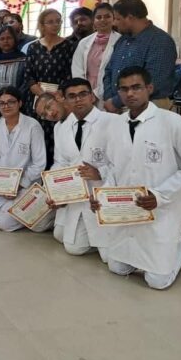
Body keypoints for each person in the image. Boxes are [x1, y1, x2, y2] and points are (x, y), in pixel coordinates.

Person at [91, 66, 181, 289]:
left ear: (149, 88)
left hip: (161, 212)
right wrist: (103, 196)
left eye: (136, 87)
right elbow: (113, 166)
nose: (130, 94)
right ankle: (147, 257)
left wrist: (159, 196)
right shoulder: (116, 125)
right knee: (117, 267)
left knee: (158, 282)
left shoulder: (173, 123)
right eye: (124, 89)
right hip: (127, 211)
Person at [49, 78, 117, 260]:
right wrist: (56, 191)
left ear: (92, 97)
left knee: (109, 258)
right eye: (72, 96)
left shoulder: (113, 122)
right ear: (65, 100)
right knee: (70, 245)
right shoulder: (61, 127)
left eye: (83, 94)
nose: (78, 100)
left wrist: (101, 172)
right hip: (76, 195)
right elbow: (59, 162)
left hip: (103, 193)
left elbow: (126, 163)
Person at [0, 87, 50, 232]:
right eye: (2, 103)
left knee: (5, 224)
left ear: (20, 103)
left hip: (25, 183)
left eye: (11, 102)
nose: (6, 106)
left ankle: (26, 212)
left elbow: (39, 164)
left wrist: (19, 184)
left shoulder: (32, 126)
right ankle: (8, 211)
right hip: (1, 182)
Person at [102, 0, 178, 112]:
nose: (114, 23)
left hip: (148, 106)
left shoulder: (160, 41)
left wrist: (116, 102)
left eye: (117, 19)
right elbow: (109, 70)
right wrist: (109, 99)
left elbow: (154, 82)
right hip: (118, 107)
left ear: (130, 18)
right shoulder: (123, 40)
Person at [24, 8, 76, 168]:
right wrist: (42, 95)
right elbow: (28, 76)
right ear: (42, 25)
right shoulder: (33, 47)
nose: (55, 25)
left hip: (59, 99)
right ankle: (38, 173)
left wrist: (57, 95)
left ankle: (58, 174)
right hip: (37, 99)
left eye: (58, 21)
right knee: (37, 138)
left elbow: (70, 74)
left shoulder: (69, 46)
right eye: (50, 22)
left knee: (58, 136)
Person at [71, 3, 120, 104]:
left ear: (114, 19)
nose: (103, 20)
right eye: (99, 17)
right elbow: (77, 68)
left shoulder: (120, 41)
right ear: (93, 21)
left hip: (110, 90)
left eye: (107, 16)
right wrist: (84, 91)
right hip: (86, 89)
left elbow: (116, 71)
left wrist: (97, 94)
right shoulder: (84, 42)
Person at [0, 27, 27, 108]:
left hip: (18, 105)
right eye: (2, 39)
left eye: (9, 38)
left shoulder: (24, 60)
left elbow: (26, 82)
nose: (5, 41)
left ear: (15, 40)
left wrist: (14, 100)